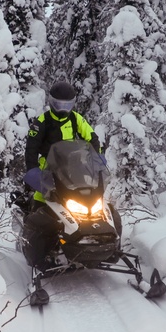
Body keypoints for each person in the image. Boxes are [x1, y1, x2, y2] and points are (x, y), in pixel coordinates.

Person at [19, 80, 103, 270]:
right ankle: (34, 245)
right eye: (59, 105)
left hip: (74, 170)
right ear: (51, 103)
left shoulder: (76, 119)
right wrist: (33, 171)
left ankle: (89, 239)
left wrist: (97, 160)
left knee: (89, 201)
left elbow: (92, 138)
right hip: (47, 170)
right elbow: (30, 149)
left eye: (67, 105)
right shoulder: (42, 122)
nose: (63, 109)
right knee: (43, 204)